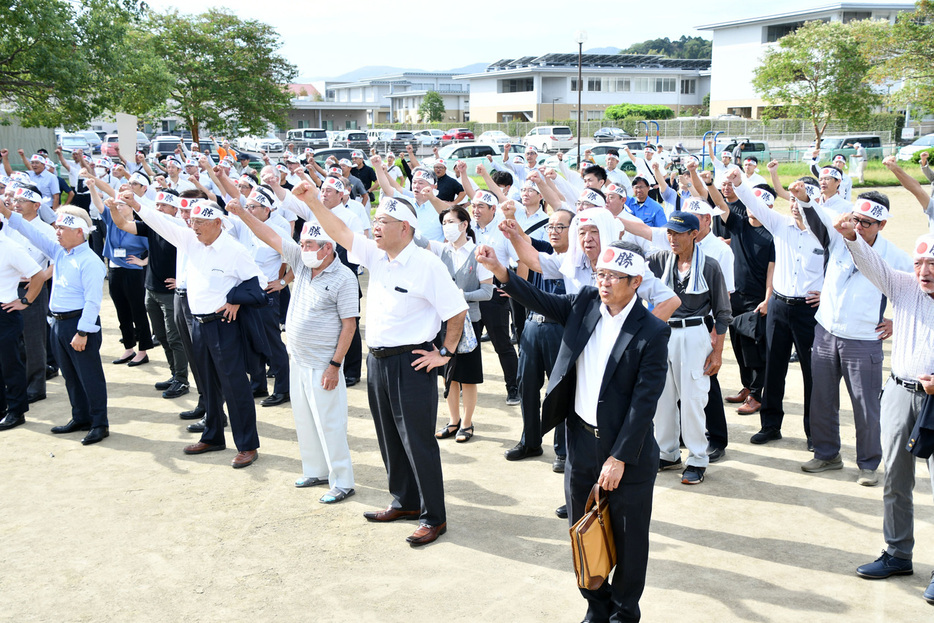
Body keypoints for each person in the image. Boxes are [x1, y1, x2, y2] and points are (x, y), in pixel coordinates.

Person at [475, 239, 669, 623]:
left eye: (615, 276)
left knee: (630, 543)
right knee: (583, 532)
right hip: (580, 442)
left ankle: (624, 614)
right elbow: (539, 299)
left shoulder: (652, 331)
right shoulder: (584, 304)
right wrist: (501, 272)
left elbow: (644, 402)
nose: (606, 282)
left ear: (636, 282)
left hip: (625, 454)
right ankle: (596, 607)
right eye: (601, 274)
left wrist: (620, 458)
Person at [290, 180, 468, 546]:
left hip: (412, 362)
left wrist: (444, 354)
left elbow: (457, 312)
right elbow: (338, 231)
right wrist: (311, 202)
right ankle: (404, 501)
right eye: (375, 219)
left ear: (405, 228)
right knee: (388, 436)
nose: (375, 226)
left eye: (383, 221)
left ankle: (433, 516)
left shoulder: (425, 264)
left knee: (417, 440)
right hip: (379, 360)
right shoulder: (376, 255)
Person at [232, 205, 359, 503]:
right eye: (301, 245)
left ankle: (342, 481)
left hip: (324, 364)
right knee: (304, 420)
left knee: (330, 424)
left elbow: (349, 326)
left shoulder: (344, 278)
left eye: (309, 245)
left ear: (328, 248)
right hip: (299, 360)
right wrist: (241, 213)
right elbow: (267, 234)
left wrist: (334, 365)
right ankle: (315, 469)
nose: (303, 250)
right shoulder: (302, 264)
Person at [128, 195, 267, 468]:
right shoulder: (191, 240)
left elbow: (259, 284)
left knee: (234, 386)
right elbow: (159, 224)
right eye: (192, 222)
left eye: (200, 222)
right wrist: (135, 204)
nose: (194, 227)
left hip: (224, 327)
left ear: (218, 223)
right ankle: (213, 435)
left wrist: (235, 299)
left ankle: (247, 445)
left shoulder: (234, 250)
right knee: (207, 385)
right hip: (198, 325)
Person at [841, 226, 934, 606]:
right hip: (899, 391)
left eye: (932, 264)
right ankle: (897, 554)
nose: (924, 270)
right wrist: (851, 237)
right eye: (919, 262)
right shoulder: (905, 286)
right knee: (895, 479)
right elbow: (871, 264)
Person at [796, 185, 911, 486]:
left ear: (882, 225)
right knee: (821, 398)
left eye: (866, 223)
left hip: (863, 339)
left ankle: (869, 464)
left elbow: (920, 291)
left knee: (865, 405)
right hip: (826, 331)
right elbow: (816, 217)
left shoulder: (894, 256)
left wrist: (896, 322)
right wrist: (803, 198)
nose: (858, 227)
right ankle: (827, 454)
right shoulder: (838, 237)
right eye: (855, 219)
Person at [728, 169, 825, 448]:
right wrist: (738, 182)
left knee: (812, 373)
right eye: (792, 200)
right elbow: (755, 203)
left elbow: (843, 266)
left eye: (802, 201)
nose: (795, 206)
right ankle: (771, 425)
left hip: (809, 311)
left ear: (815, 203)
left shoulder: (825, 234)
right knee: (773, 369)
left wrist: (826, 293)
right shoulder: (780, 225)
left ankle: (814, 433)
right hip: (779, 307)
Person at [0, 204, 109, 445]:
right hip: (58, 324)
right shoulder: (61, 252)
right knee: (70, 375)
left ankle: (99, 423)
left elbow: (93, 302)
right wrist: (7, 213)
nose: (56, 232)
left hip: (78, 324)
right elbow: (32, 233)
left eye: (62, 228)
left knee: (90, 376)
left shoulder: (90, 261)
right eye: (57, 227)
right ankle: (80, 417)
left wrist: (82, 331)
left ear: (79, 232)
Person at [646, 211, 732, 485]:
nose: (671, 238)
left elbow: (722, 311)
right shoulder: (659, 260)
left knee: (693, 399)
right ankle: (667, 452)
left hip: (694, 333)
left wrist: (717, 351)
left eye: (678, 233)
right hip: (663, 332)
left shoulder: (710, 266)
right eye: (669, 232)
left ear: (694, 234)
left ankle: (697, 458)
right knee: (662, 398)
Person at [105, 188, 189, 399]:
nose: (159, 209)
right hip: (151, 290)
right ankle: (173, 374)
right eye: (157, 205)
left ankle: (181, 379)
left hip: (171, 293)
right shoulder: (152, 226)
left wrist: (183, 280)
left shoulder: (181, 229)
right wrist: (114, 208)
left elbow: (195, 258)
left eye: (164, 206)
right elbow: (122, 224)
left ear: (175, 209)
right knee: (160, 335)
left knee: (174, 337)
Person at [428, 206, 493, 443]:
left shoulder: (479, 253)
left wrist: (459, 295)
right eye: (443, 222)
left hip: (469, 323)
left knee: (468, 376)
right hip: (444, 322)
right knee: (448, 374)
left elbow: (487, 292)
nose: (447, 227)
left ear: (464, 224)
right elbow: (415, 238)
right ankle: (453, 420)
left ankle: (467, 422)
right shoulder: (440, 250)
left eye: (451, 221)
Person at [87, 179, 153, 367]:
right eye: (117, 205)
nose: (119, 207)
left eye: (122, 205)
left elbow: (154, 249)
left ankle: (143, 350)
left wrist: (143, 261)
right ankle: (128, 347)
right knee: (122, 311)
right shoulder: (113, 220)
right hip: (115, 270)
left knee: (138, 311)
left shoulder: (139, 226)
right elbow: (99, 205)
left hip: (133, 272)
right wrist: (92, 187)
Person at [4, 185, 55, 404]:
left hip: (31, 287)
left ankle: (36, 386)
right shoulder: (9, 225)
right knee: (13, 340)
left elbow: (57, 261)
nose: (17, 203)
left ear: (36, 205)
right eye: (16, 200)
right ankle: (20, 382)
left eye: (23, 200)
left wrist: (41, 277)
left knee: (34, 339)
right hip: (8, 286)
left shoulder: (47, 230)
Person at [0, 227, 45, 431]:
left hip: (5, 312)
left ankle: (16, 411)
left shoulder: (11, 247)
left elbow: (38, 275)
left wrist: (25, 301)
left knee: (11, 364)